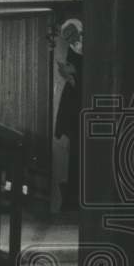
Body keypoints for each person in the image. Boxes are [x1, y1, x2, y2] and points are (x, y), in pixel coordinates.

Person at [54, 46, 82, 211]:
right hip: (75, 131)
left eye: (70, 64)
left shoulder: (81, 79)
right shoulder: (73, 82)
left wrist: (72, 80)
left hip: (82, 129)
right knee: (74, 165)